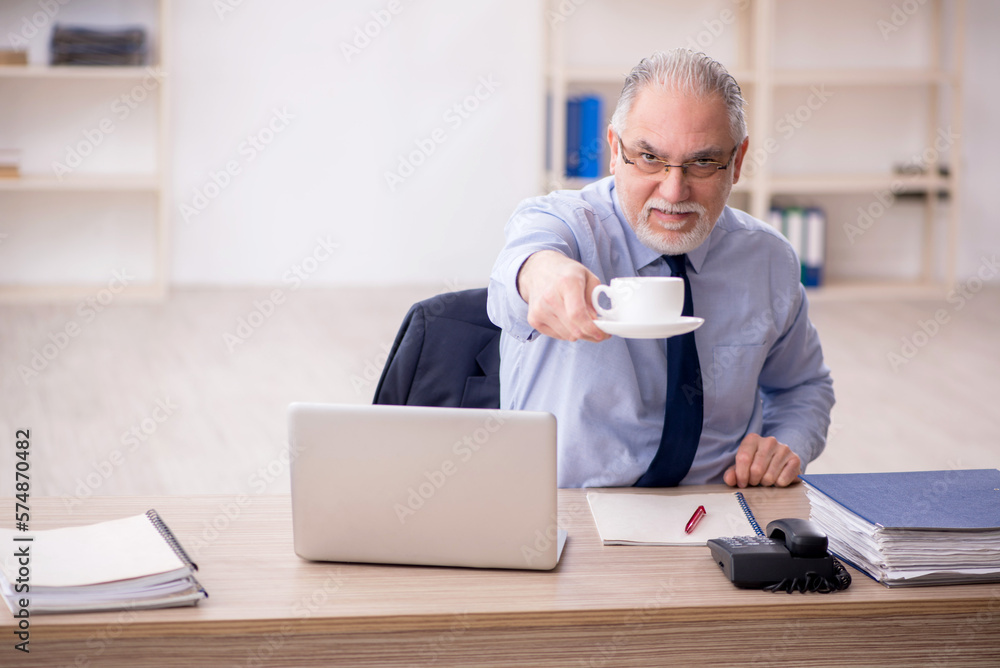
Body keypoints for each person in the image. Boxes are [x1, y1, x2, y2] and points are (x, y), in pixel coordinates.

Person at [486, 49, 834, 489]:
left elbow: (804, 387)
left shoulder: (768, 260)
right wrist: (541, 275)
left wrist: (787, 443)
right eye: (649, 158)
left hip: (717, 506)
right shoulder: (564, 224)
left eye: (703, 162)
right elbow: (518, 271)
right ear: (614, 150)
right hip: (569, 513)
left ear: (738, 161)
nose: (673, 191)